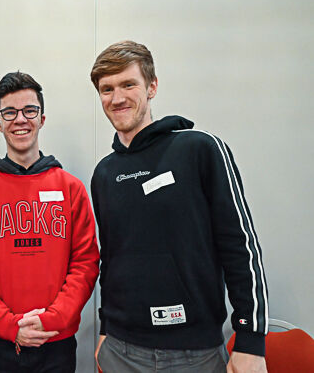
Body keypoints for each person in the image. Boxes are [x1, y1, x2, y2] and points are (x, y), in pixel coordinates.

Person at [90, 41, 268, 373]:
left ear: (152, 86)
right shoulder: (104, 173)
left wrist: (251, 341)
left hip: (194, 355)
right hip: (120, 351)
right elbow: (110, 259)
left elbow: (240, 247)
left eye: (128, 84)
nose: (117, 98)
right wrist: (104, 329)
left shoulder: (200, 149)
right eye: (107, 89)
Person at [0, 71, 99, 373]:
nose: (20, 119)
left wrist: (51, 320)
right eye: (10, 112)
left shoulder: (70, 188)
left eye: (29, 110)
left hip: (56, 341)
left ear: (42, 118)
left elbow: (85, 263)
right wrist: (9, 325)